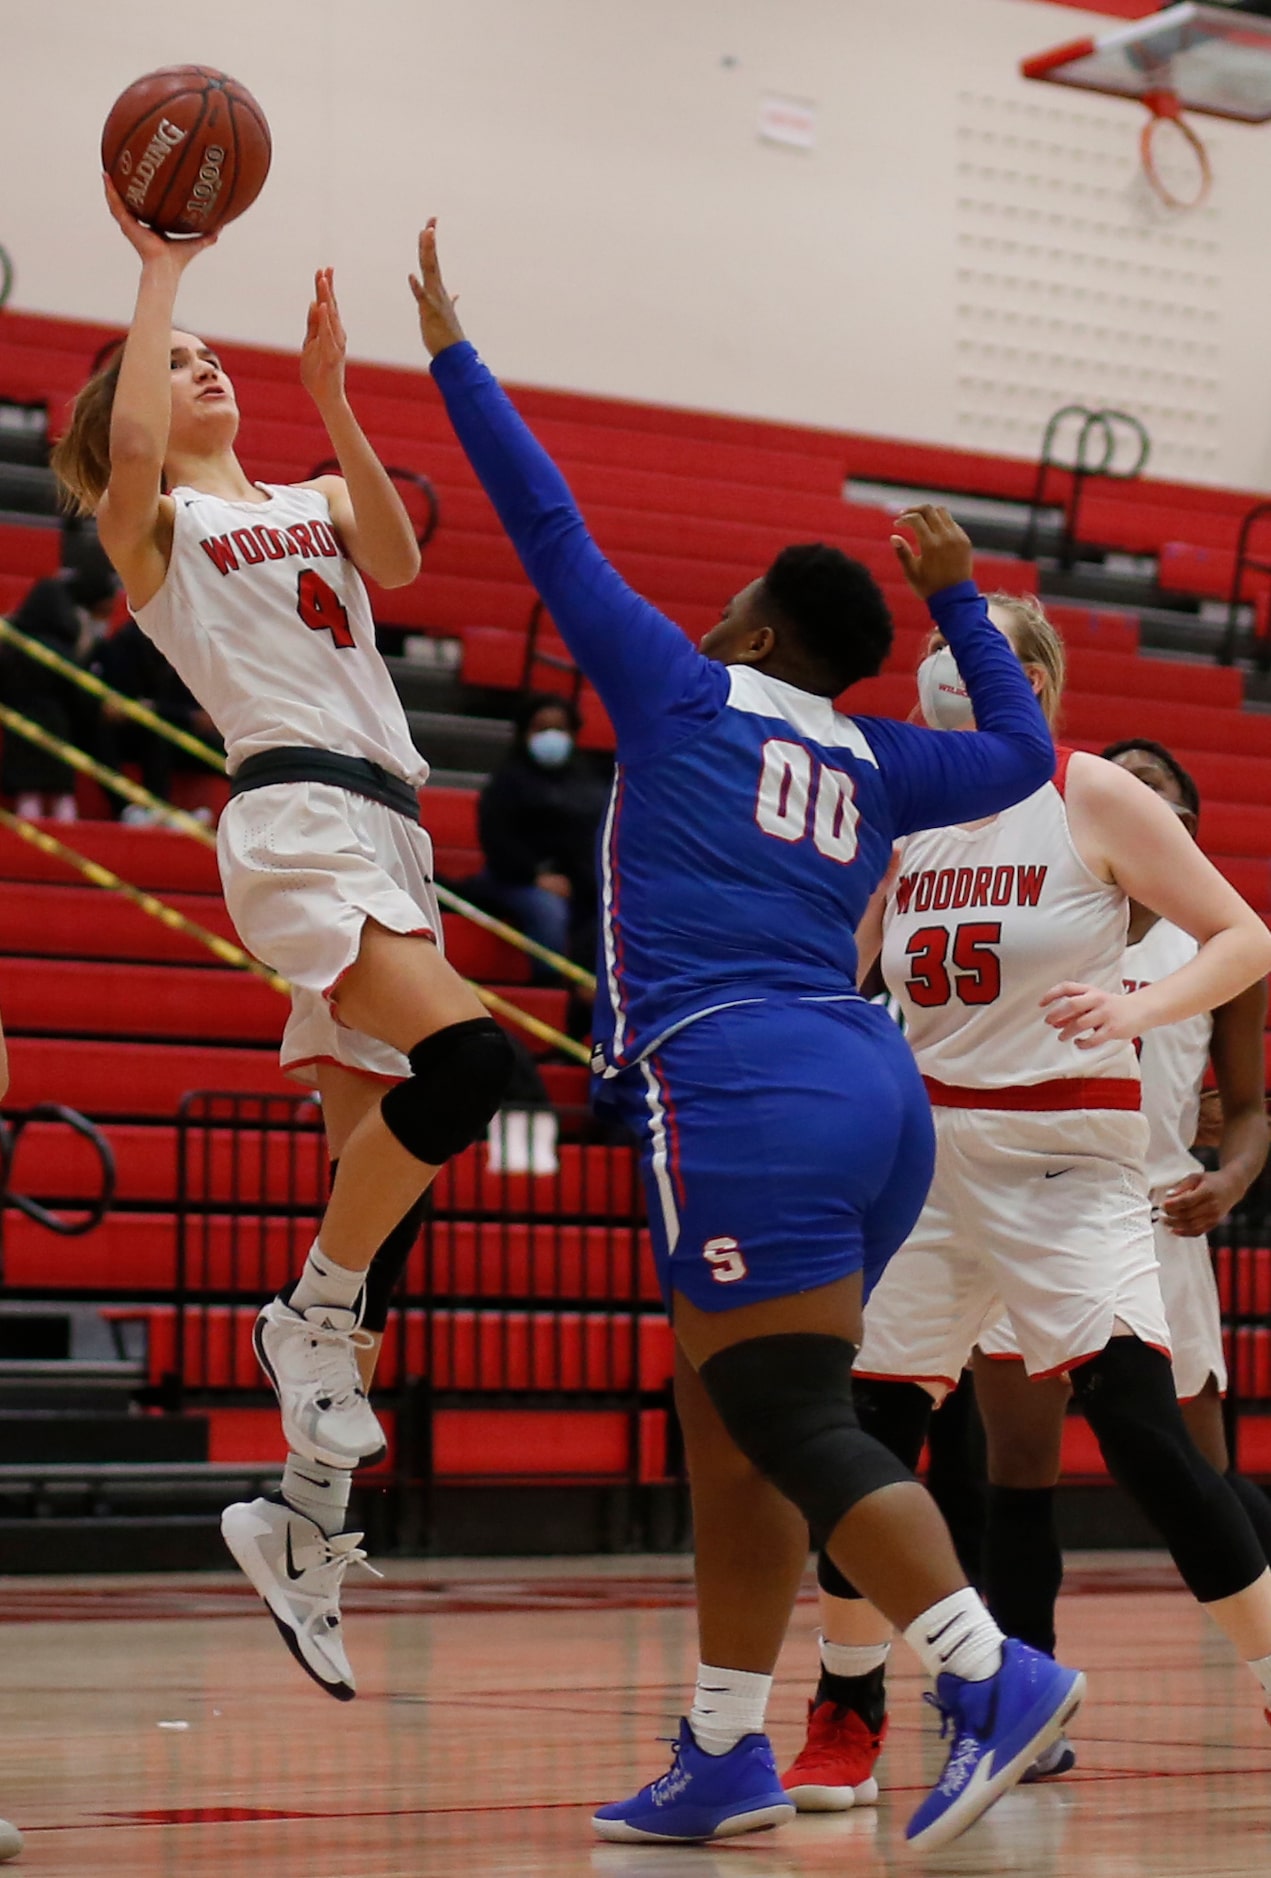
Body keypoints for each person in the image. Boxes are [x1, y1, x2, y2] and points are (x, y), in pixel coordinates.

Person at [412, 220, 1082, 1853]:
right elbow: (1018, 750)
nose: (701, 611)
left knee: (789, 1413)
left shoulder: (681, 694)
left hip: (740, 1078)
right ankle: (722, 1746)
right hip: (868, 1091)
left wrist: (449, 350)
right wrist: (960, 596)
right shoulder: (869, 758)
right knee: (728, 1421)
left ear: (768, 633)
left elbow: (545, 520)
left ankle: (990, 1671)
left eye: (728, 603)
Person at [51, 182, 515, 1701]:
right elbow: (127, 445)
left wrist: (331, 395)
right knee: (473, 1065)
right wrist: (158, 276)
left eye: (203, 357)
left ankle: (298, 1525)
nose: (203, 373)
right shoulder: (158, 522)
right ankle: (299, 1310)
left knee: (389, 1198)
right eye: (176, 368)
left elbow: (390, 556)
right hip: (297, 822)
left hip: (395, 828)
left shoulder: (297, 495)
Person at [781, 599, 1271, 1811]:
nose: (946, 662)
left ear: (1034, 675)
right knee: (869, 1433)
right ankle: (846, 1708)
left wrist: (1138, 1011)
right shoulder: (907, 816)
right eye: (938, 646)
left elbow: (1242, 937)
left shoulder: (1090, 791)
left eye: (976, 643)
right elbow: (832, 972)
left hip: (1067, 1159)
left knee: (1145, 1436)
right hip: (928, 1158)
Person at [967, 735, 1271, 1771]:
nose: (1121, 791)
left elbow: (1246, 1112)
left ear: (1181, 824)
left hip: (1151, 1215)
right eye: (1115, 780)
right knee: (1017, 1465)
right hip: (1023, 1203)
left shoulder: (1215, 947)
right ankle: (1026, 1706)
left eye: (1152, 787)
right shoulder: (1034, 916)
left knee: (1191, 1471)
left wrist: (1227, 1180)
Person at [472, 691, 608, 980]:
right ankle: (549, 988)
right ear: (524, 733)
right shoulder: (506, 784)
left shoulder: (590, 784)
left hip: (579, 880)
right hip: (514, 878)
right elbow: (497, 842)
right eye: (541, 728)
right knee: (548, 911)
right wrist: (536, 875)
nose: (552, 736)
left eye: (559, 728)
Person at [0, 556, 119, 819]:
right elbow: (78, 692)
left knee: (27, 797)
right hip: (57, 725)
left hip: (19, 726)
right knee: (62, 797)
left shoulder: (10, 645)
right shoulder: (64, 652)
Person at [90, 615, 223, 821]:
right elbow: (118, 708)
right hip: (131, 733)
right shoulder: (127, 644)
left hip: (173, 725)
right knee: (152, 733)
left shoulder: (183, 648)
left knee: (232, 750)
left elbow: (196, 714)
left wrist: (169, 711)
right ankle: (148, 811)